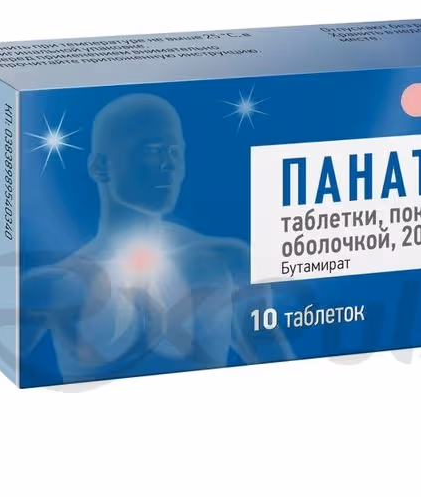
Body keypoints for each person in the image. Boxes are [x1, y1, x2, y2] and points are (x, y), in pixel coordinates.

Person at [21, 93, 276, 383]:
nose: (169, 164)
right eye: (152, 150)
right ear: (100, 167)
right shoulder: (52, 287)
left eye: (175, 152)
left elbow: (281, 372)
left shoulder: (230, 262)